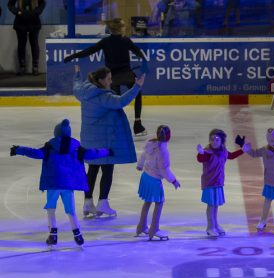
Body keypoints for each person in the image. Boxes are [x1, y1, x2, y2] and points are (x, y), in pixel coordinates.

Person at [10, 119, 111, 248]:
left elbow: (35, 153)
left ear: (56, 134)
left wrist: (19, 149)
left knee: (51, 209)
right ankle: (77, 234)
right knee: (71, 210)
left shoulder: (50, 147)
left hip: (53, 183)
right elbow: (92, 153)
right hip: (68, 185)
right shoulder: (76, 148)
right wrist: (107, 151)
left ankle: (53, 234)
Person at [73, 65, 145, 218]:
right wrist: (136, 86)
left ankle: (87, 202)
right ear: (101, 81)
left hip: (88, 139)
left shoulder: (84, 92)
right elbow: (121, 101)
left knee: (92, 170)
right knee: (107, 169)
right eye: (109, 79)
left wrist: (78, 73)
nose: (111, 82)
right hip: (103, 140)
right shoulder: (104, 97)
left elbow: (76, 85)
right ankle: (103, 203)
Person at [64, 18, 149, 136]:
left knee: (115, 101)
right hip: (126, 74)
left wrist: (72, 56)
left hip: (112, 77)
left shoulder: (106, 42)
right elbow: (138, 52)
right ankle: (138, 124)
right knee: (137, 94)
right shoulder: (126, 41)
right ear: (120, 28)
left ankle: (116, 126)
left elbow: (88, 51)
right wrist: (145, 63)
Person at [136, 125, 180, 241]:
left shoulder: (150, 142)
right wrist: (173, 180)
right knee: (159, 203)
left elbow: (143, 154)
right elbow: (164, 169)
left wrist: (140, 165)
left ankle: (141, 226)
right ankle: (154, 229)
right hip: (154, 180)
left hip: (145, 176)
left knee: (148, 202)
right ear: (169, 137)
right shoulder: (163, 151)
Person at [196, 129, 244, 237]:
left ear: (221, 141)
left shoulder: (223, 150)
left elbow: (230, 156)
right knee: (211, 206)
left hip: (218, 182)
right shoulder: (207, 151)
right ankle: (210, 227)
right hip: (209, 183)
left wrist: (242, 150)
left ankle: (215, 225)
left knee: (216, 205)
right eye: (212, 139)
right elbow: (201, 158)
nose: (214, 141)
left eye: (217, 139)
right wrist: (200, 153)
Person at [7, 0, 46, 76]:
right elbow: (10, 4)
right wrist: (17, 12)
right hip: (21, 22)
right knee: (21, 45)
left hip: (34, 21)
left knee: (34, 44)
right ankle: (22, 67)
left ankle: (35, 67)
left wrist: (37, 12)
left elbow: (42, 3)